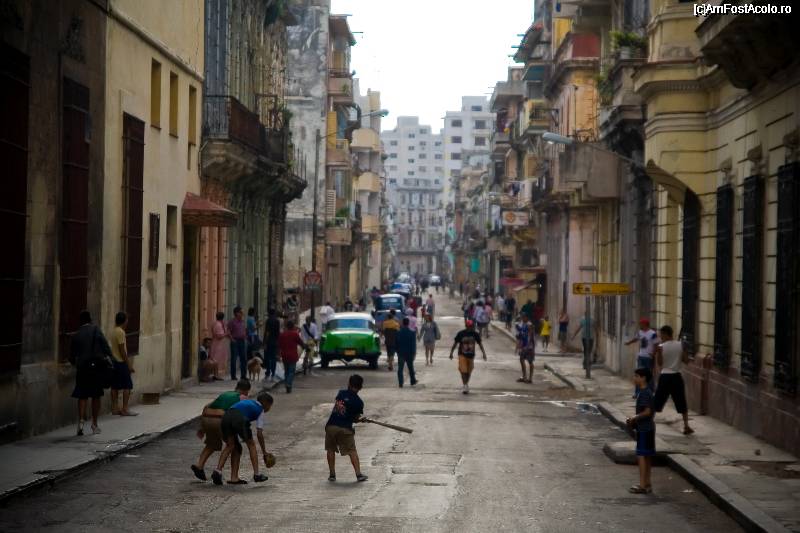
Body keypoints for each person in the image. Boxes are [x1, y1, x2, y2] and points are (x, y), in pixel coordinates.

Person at [191, 379, 251, 481]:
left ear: (236, 387)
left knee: (211, 444)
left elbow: (206, 406)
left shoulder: (226, 394)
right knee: (234, 446)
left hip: (207, 417)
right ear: (246, 391)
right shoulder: (243, 398)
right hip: (221, 419)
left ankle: (199, 465)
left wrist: (202, 427)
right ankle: (223, 473)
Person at [211, 391, 274, 485]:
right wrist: (264, 452)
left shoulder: (248, 401)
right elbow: (259, 434)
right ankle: (257, 474)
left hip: (226, 416)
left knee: (231, 446)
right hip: (240, 418)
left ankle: (218, 471)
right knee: (251, 445)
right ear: (266, 403)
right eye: (270, 406)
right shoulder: (260, 410)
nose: (269, 408)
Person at [70, 310, 112, 436]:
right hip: (96, 368)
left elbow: (71, 356)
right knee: (96, 396)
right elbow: (105, 347)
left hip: (82, 369)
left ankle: (81, 422)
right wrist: (109, 358)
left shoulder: (76, 334)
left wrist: (76, 363)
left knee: (82, 395)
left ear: (80, 321)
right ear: (90, 319)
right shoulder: (96, 330)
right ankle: (94, 424)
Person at [325, 374, 368, 482]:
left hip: (331, 426)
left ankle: (332, 475)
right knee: (352, 451)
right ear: (360, 387)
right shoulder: (359, 402)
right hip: (345, 429)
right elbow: (355, 419)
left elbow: (341, 408)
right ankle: (358, 474)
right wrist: (361, 419)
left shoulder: (341, 393)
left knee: (330, 449)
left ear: (349, 383)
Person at [654, 325, 694, 435]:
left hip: (665, 376)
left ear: (666, 334)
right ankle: (686, 426)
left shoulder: (661, 346)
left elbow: (660, 363)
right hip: (676, 377)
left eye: (661, 335)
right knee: (681, 401)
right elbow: (686, 361)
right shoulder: (680, 345)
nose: (660, 337)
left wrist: (659, 353)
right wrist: (684, 350)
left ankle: (648, 422)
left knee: (657, 400)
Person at [626, 368, 655, 494]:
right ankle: (647, 483)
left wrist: (634, 418)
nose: (634, 378)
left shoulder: (644, 393)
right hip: (648, 428)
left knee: (641, 455)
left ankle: (643, 485)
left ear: (643, 378)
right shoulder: (646, 391)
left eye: (637, 376)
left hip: (644, 428)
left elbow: (647, 412)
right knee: (647, 455)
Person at [109, 311, 137, 416]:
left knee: (114, 386)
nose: (127, 322)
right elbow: (122, 350)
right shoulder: (121, 332)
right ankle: (125, 409)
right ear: (124, 321)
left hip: (114, 362)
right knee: (127, 385)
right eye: (127, 320)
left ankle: (114, 408)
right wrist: (128, 364)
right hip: (120, 362)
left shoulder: (113, 331)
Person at [449, 319, 487, 395]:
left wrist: (484, 353)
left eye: (471, 326)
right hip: (462, 355)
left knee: (469, 371)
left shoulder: (475, 334)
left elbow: (480, 343)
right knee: (463, 371)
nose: (470, 327)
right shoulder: (461, 333)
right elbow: (455, 343)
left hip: (471, 356)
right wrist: (451, 353)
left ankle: (466, 384)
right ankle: (465, 385)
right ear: (466, 326)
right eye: (469, 326)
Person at [626, 318, 658, 396]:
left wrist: (653, 354)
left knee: (649, 374)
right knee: (638, 374)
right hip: (641, 356)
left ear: (645, 324)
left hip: (648, 357)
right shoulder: (640, 332)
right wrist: (629, 342)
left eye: (641, 324)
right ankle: (637, 392)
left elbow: (656, 344)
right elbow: (636, 339)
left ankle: (650, 391)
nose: (640, 325)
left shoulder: (653, 333)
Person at [278, 320, 307, 394]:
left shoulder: (282, 334)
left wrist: (278, 354)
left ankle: (287, 384)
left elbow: (279, 345)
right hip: (292, 355)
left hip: (284, 355)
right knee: (291, 371)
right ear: (293, 326)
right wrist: (305, 347)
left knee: (286, 371)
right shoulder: (295, 334)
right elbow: (300, 342)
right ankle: (288, 384)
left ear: (287, 326)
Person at [395, 318, 418, 388]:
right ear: (408, 323)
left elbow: (396, 343)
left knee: (400, 369)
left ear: (402, 323)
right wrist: (414, 353)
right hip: (409, 353)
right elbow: (413, 344)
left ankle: (400, 382)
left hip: (401, 353)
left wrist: (397, 351)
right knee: (411, 368)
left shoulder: (398, 332)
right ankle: (412, 380)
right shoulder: (412, 333)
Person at [228, 306, 247, 381]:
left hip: (242, 341)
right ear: (236, 313)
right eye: (241, 312)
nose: (242, 314)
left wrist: (245, 336)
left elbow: (244, 330)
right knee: (234, 358)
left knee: (243, 358)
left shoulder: (243, 321)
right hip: (235, 341)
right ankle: (233, 376)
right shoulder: (232, 322)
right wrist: (232, 339)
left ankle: (243, 375)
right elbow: (228, 331)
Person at [209, 312, 230, 381]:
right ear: (223, 317)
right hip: (218, 345)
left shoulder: (216, 323)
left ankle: (216, 374)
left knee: (217, 359)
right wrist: (226, 334)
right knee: (217, 359)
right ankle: (216, 375)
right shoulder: (218, 325)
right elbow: (219, 335)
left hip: (218, 344)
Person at [263, 308, 281, 382]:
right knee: (273, 358)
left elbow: (267, 332)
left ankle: (268, 373)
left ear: (269, 313)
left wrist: (265, 342)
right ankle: (273, 374)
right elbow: (278, 332)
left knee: (268, 357)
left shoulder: (268, 320)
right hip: (275, 342)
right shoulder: (277, 321)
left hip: (269, 342)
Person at [515, 314, 535, 383]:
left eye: (523, 317)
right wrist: (519, 346)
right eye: (522, 318)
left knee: (530, 361)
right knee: (522, 359)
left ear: (526, 317)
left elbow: (530, 336)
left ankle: (529, 378)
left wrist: (527, 345)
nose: (522, 319)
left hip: (529, 346)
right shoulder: (524, 324)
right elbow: (521, 335)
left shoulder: (529, 324)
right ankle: (525, 377)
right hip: (524, 346)